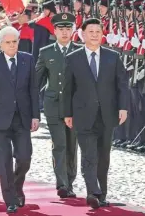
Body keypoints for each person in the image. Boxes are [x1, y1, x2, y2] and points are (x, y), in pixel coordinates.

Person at [63, 18, 129, 209]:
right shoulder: (73, 58)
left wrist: (123, 108)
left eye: (97, 32)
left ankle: (103, 192)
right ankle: (93, 191)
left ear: (102, 34)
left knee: (103, 156)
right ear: (82, 34)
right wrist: (67, 113)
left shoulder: (112, 57)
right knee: (88, 155)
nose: (94, 35)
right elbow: (67, 89)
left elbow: (122, 85)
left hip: (107, 114)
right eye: (90, 32)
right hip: (83, 115)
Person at [0, 26, 40, 213]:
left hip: (22, 119)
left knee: (24, 157)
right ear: (0, 44)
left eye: (15, 42)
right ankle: (10, 199)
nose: (12, 45)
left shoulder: (27, 59)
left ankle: (16, 185)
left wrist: (35, 115)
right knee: (4, 160)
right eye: (8, 42)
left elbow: (33, 90)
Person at [35, 12, 81, 198]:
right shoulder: (46, 52)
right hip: (53, 105)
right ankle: (62, 183)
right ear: (54, 31)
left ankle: (70, 179)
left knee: (72, 145)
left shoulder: (80, 51)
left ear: (73, 30)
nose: (64, 32)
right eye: (61, 29)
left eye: (68, 28)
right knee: (59, 144)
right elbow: (36, 82)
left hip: (75, 107)